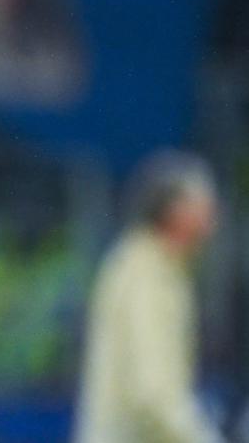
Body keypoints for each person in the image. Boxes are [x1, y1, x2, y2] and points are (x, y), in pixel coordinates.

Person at [74, 150, 224, 443]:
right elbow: (154, 395)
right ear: (177, 211)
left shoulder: (140, 264)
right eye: (204, 203)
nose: (213, 214)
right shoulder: (149, 276)